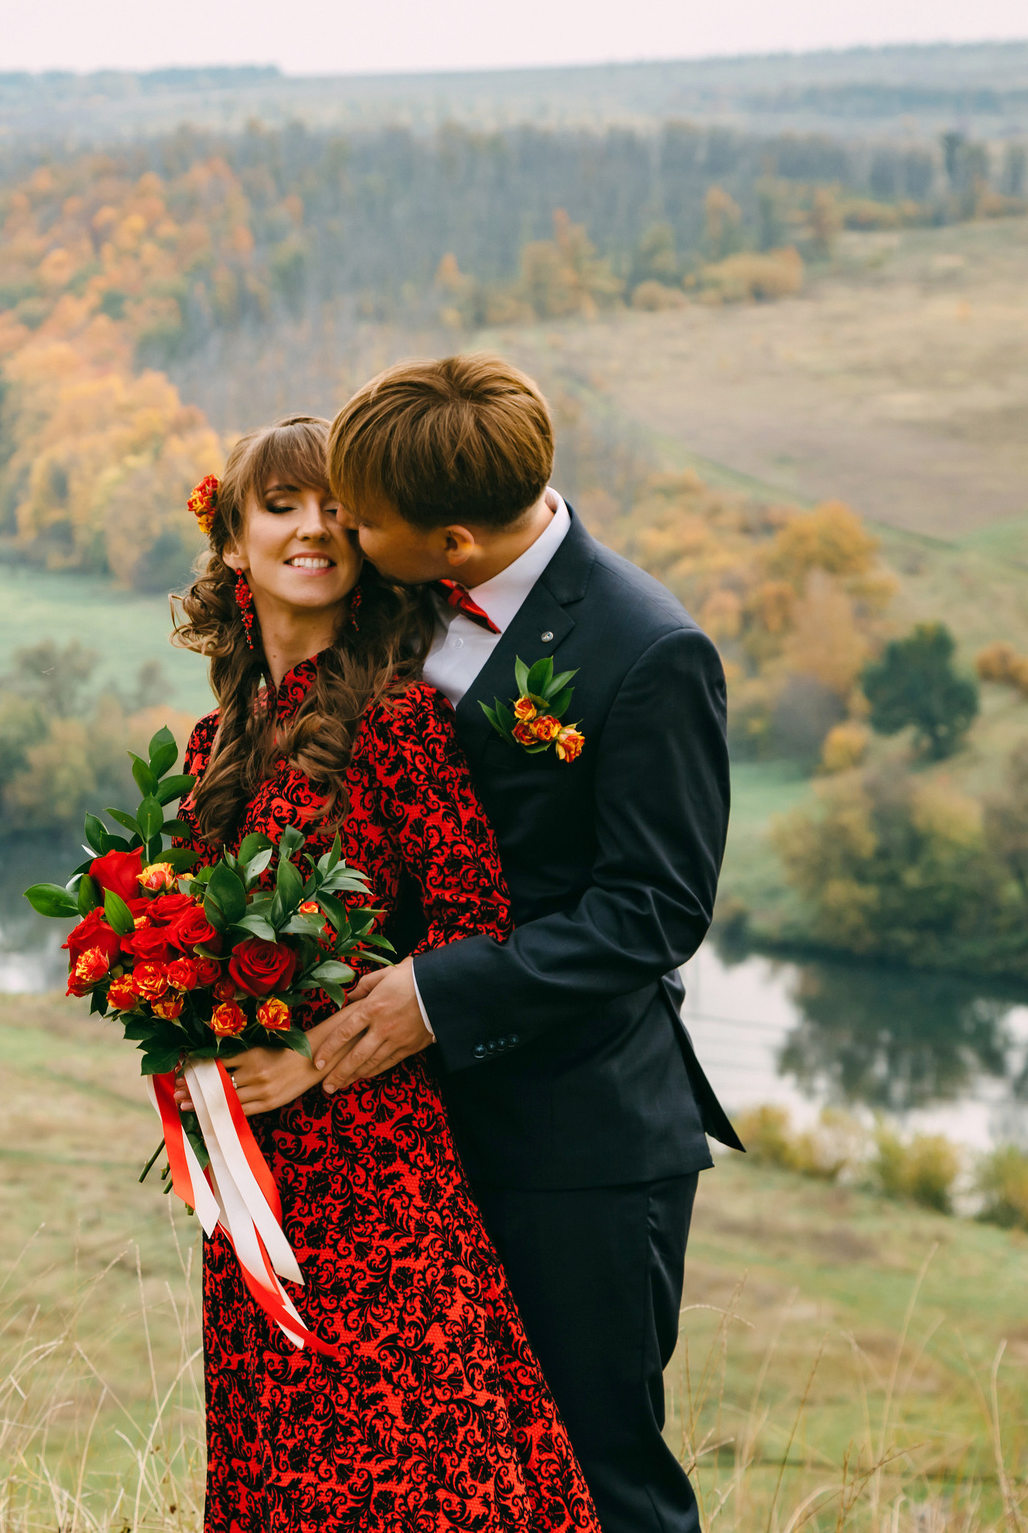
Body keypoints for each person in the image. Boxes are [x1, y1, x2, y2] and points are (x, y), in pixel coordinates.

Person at [307, 354, 742, 1533]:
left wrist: (434, 997)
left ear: (450, 540)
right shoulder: (395, 594)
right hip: (414, 1130)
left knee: (594, 1478)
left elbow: (653, 908)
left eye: (363, 517)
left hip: (578, 1140)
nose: (342, 529)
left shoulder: (649, 651)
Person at [170, 414, 598, 1533]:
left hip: (377, 1178)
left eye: (335, 512)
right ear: (231, 543)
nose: (312, 529)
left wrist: (316, 1052)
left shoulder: (400, 723)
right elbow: (180, 958)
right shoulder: (211, 744)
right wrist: (180, 1052)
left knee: (407, 1481)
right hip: (253, 1185)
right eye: (280, 506)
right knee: (278, 1476)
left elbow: (475, 930)